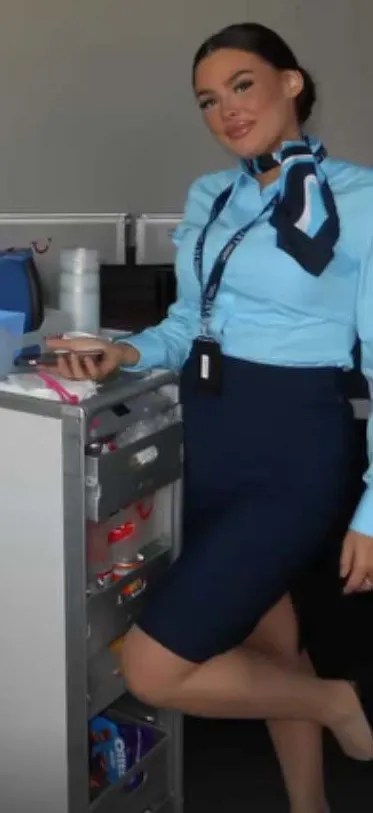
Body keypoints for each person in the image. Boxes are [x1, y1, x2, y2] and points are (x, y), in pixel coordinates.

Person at [48, 23, 373, 813]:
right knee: (272, 643)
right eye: (206, 99)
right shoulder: (210, 196)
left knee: (155, 668)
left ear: (289, 83)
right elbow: (189, 325)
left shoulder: (360, 200)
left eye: (241, 84)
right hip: (208, 440)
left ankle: (337, 702)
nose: (225, 109)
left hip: (295, 450)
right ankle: (310, 805)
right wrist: (126, 353)